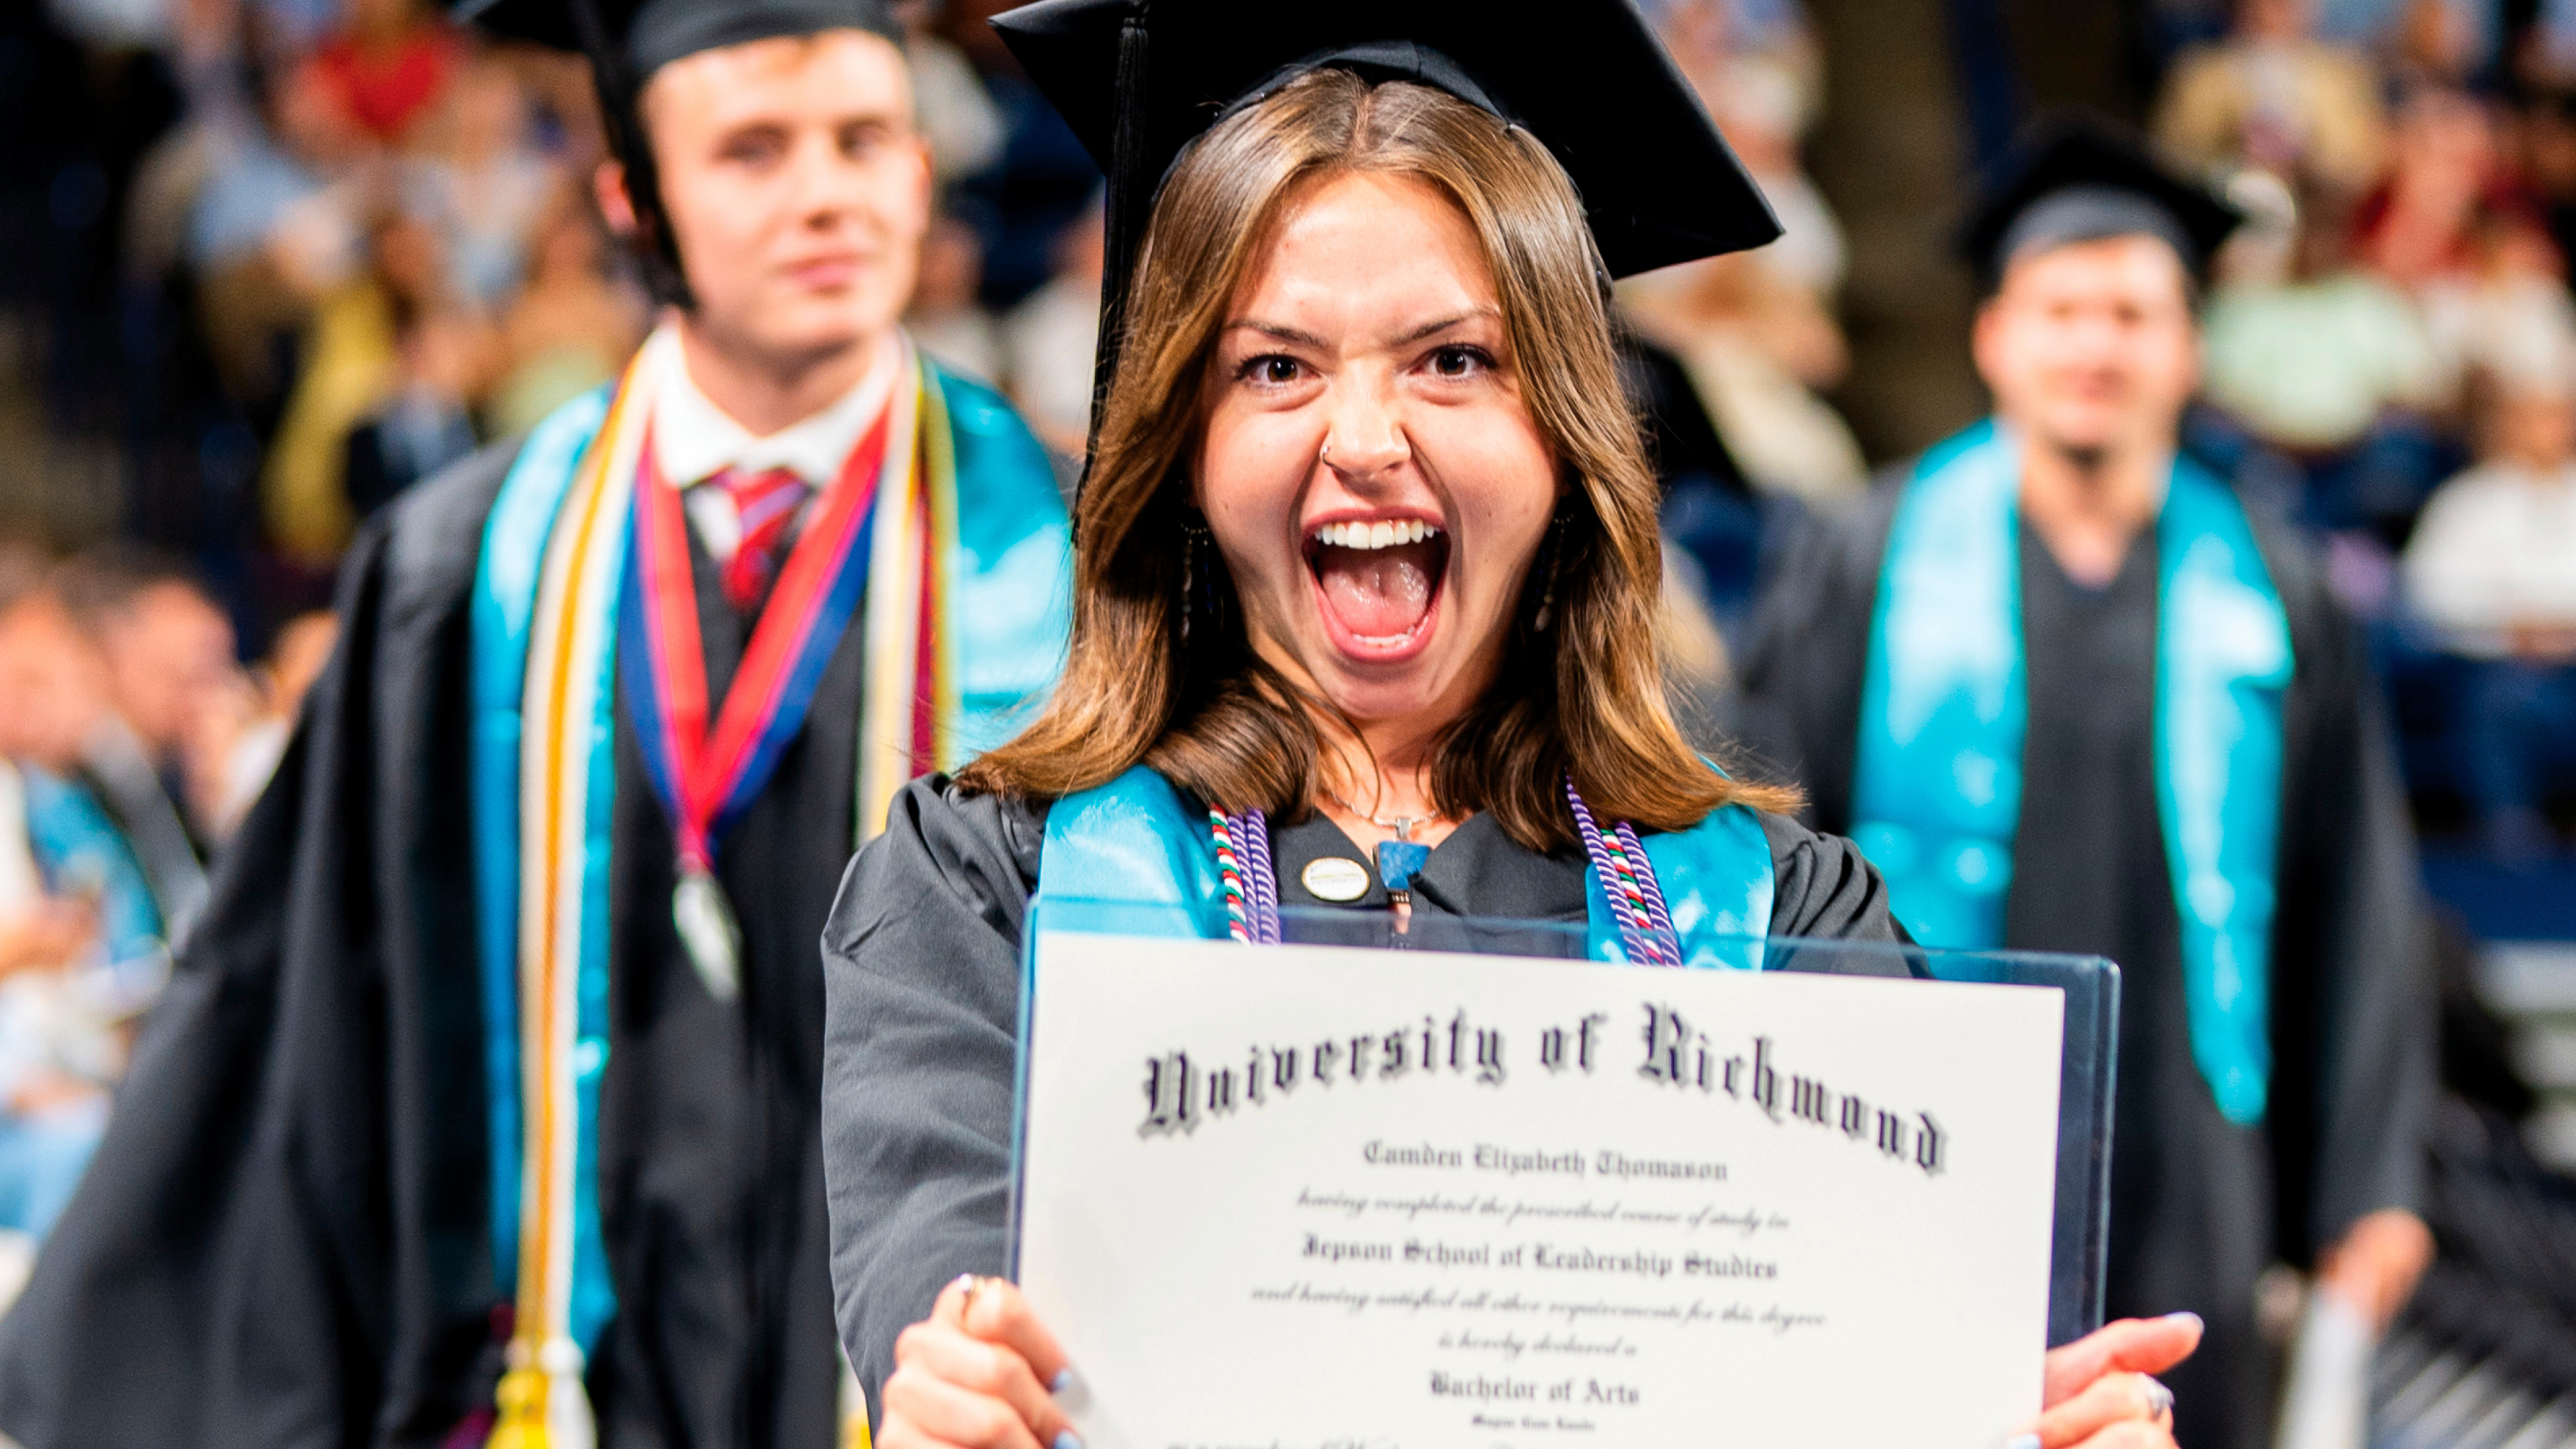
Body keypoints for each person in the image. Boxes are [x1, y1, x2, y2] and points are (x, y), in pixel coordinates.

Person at [821, 7, 2202, 1448]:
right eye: (1275, 368)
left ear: (1568, 438)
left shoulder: (1783, 924)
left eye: (1453, 360)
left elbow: (1899, 1372)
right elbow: (945, 1288)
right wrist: (957, 1402)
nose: (1365, 437)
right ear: (1181, 442)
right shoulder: (987, 895)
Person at [0, 0, 1073, 1442]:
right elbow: (311, 1022)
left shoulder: (1066, 562)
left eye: (866, 139)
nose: (830, 192)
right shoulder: (465, 567)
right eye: (754, 148)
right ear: (633, 200)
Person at [1742, 123, 2437, 1449]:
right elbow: (1770, 842)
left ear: (2187, 348)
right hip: (1919, 1134)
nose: (2095, 346)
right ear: (1996, 336)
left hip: (2197, 1147)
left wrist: (2366, 1185)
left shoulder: (2276, 587)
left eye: (2132, 313)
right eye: (2062, 310)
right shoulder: (1865, 558)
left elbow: (2358, 891)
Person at [2403, 374, 2576, 861]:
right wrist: (2508, 627)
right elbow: (2429, 597)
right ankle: (2510, 826)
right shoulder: (2465, 502)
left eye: (2556, 416)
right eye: (2530, 418)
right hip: (2498, 664)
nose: (2545, 430)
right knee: (2501, 696)